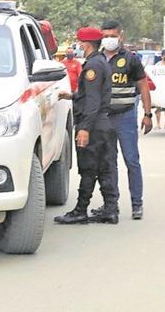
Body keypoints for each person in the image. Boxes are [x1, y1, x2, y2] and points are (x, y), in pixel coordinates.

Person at [54, 27, 119, 224]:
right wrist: (73, 96)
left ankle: (81, 210)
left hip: (93, 125)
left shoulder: (92, 67)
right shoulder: (100, 62)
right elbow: (91, 96)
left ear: (86, 44)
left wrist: (84, 128)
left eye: (80, 43)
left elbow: (93, 101)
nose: (78, 46)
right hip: (102, 123)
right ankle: (110, 209)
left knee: (89, 167)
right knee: (104, 167)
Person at [95, 20, 152, 220]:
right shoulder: (97, 59)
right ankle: (111, 205)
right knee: (108, 163)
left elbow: (143, 86)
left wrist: (147, 114)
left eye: (113, 35)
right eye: (106, 35)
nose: (109, 39)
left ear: (121, 36)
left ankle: (137, 204)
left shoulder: (131, 59)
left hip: (126, 116)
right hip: (104, 118)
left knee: (131, 161)